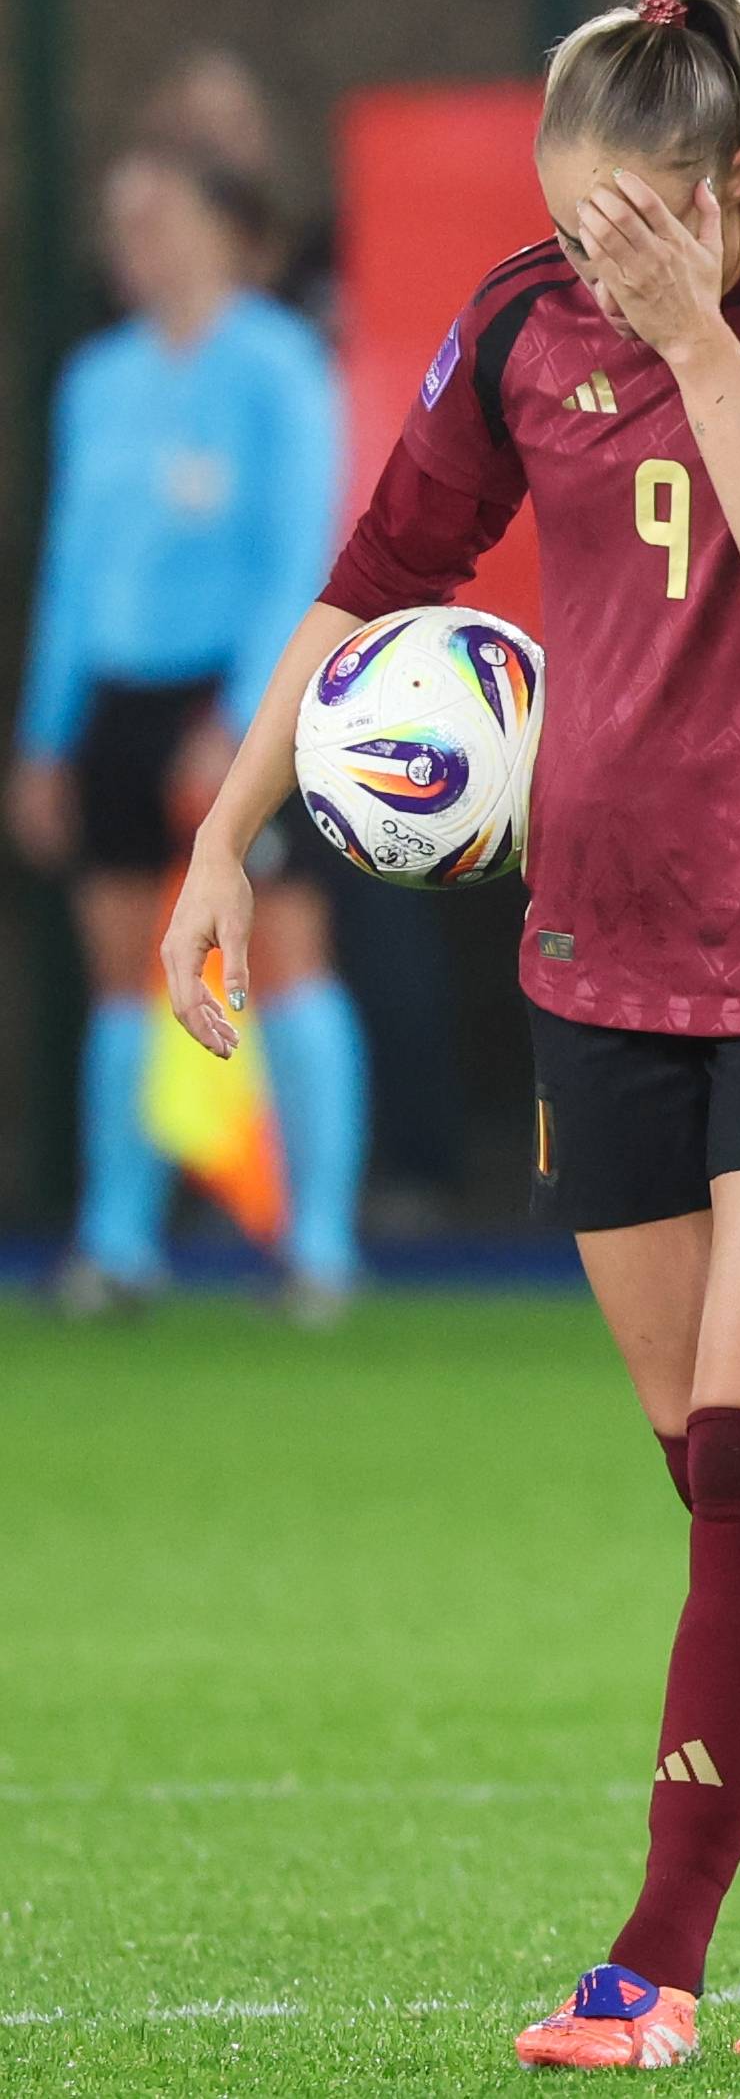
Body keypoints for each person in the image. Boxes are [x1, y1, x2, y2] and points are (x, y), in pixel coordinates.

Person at [160, 0, 740, 2066]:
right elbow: (376, 576)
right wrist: (227, 835)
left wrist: (703, 346)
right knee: (722, 1471)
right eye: (576, 228)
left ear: (738, 184)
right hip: (600, 954)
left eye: (640, 233)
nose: (599, 272)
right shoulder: (527, 322)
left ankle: (654, 1962)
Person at [9, 142, 362, 1320]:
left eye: (157, 215)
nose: (135, 243)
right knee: (121, 966)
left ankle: (318, 1245)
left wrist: (243, 718)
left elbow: (299, 551)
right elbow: (71, 566)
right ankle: (118, 1241)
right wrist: (47, 736)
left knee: (288, 953)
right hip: (119, 695)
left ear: (223, 230)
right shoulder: (96, 377)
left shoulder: (279, 365)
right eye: (121, 221)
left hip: (237, 695)